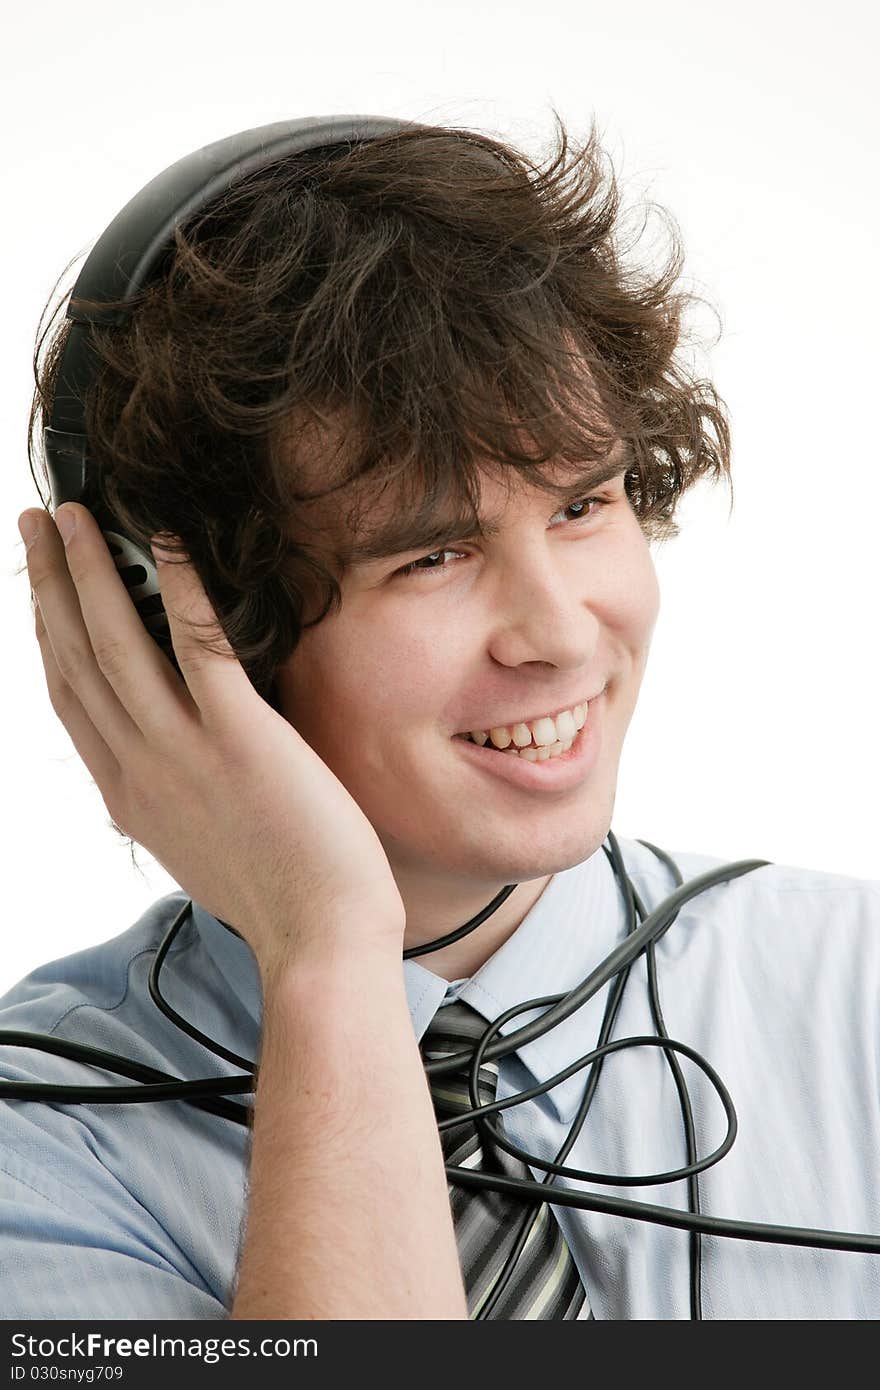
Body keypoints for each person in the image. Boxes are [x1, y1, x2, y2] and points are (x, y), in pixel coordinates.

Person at [5, 114, 879, 1322]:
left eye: (584, 504)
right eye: (433, 553)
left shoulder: (857, 986)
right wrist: (327, 959)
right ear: (177, 620)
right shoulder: (36, 1139)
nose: (564, 633)